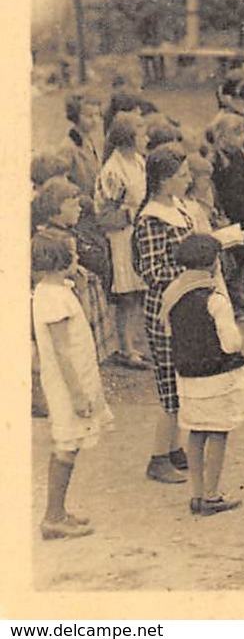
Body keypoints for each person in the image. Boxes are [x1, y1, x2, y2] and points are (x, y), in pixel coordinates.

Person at [134, 145, 244, 485]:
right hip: (168, 309)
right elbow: (153, 271)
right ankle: (157, 456)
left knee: (184, 377)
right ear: (164, 181)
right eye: (182, 176)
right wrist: (194, 266)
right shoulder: (151, 218)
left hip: (188, 304)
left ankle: (173, 447)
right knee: (170, 385)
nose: (187, 180)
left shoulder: (178, 207)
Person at [160, 233, 244, 517]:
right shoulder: (215, 299)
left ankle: (197, 493)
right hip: (215, 376)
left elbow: (169, 332)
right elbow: (231, 343)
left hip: (188, 376)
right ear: (214, 262)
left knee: (196, 430)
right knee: (218, 432)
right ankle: (212, 495)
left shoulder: (172, 294)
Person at [32, 230, 114, 540]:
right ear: (59, 259)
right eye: (73, 253)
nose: (78, 257)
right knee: (66, 444)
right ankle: (53, 516)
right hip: (68, 385)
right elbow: (63, 351)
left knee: (71, 444)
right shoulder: (52, 298)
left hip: (75, 380)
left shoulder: (57, 290)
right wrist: (78, 394)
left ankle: (59, 511)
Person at [33, 177, 117, 364]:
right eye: (73, 206)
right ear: (56, 208)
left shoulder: (69, 232)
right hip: (74, 293)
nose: (79, 210)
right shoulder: (55, 239)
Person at [95, 112, 149, 369]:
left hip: (137, 233)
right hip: (121, 238)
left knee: (138, 291)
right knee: (126, 294)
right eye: (142, 134)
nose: (146, 138)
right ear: (128, 138)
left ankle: (134, 343)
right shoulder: (113, 171)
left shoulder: (138, 161)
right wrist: (130, 213)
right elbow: (104, 215)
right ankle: (125, 348)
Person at [209, 112, 244, 317]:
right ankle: (232, 298)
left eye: (242, 134)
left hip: (242, 215)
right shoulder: (217, 161)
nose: (241, 138)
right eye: (236, 134)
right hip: (227, 216)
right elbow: (215, 190)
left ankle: (241, 294)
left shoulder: (241, 158)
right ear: (222, 137)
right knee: (230, 259)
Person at [64, 93, 104, 196]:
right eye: (89, 116)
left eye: (97, 115)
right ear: (75, 116)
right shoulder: (68, 146)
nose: (95, 120)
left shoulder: (92, 141)